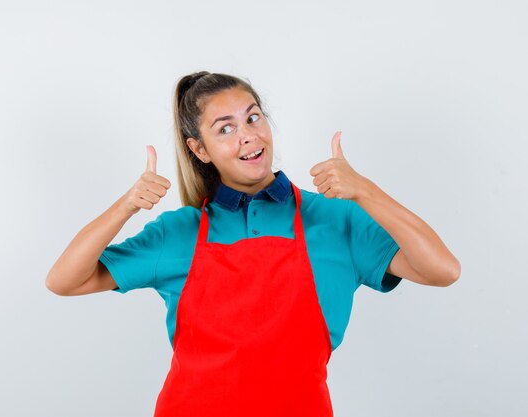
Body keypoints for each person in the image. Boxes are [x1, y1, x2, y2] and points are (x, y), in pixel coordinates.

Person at [46, 71, 461, 417]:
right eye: (225, 128)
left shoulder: (333, 219)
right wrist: (126, 206)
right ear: (199, 150)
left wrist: (366, 191)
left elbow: (442, 270)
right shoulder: (179, 232)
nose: (247, 136)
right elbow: (64, 280)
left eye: (253, 118)